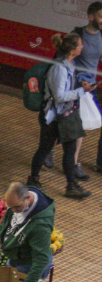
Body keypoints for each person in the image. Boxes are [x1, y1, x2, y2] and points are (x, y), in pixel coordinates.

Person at [29, 32, 93, 199]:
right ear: (72, 49)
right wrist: (81, 91)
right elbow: (59, 96)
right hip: (53, 118)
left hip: (65, 115)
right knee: (44, 148)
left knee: (70, 151)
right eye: (79, 45)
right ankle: (33, 180)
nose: (82, 47)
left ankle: (71, 185)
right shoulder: (59, 68)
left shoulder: (69, 65)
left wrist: (80, 85)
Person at [74, 3, 102, 174]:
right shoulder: (77, 34)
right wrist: (79, 81)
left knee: (79, 126)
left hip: (91, 88)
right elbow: (66, 61)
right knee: (74, 126)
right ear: (91, 17)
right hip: (75, 86)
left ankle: (72, 162)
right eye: (100, 16)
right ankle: (72, 164)